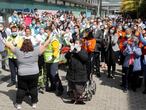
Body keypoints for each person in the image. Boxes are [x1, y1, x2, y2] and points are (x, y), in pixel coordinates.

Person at [5, 31, 50, 110]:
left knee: (21, 89)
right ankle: (34, 103)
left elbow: (9, 45)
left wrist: (4, 40)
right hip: (34, 73)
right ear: (31, 45)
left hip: (22, 74)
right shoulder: (36, 50)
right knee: (33, 88)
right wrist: (50, 39)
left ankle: (18, 104)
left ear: (22, 45)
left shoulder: (18, 51)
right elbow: (45, 45)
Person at [65, 39, 88, 104]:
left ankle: (80, 100)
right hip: (71, 72)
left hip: (80, 73)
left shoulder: (83, 51)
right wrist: (70, 51)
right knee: (72, 87)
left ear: (80, 44)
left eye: (77, 43)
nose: (76, 44)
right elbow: (66, 57)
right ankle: (73, 98)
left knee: (79, 87)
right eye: (75, 43)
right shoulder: (73, 50)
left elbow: (85, 59)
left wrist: (78, 52)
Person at [44, 26, 64, 96]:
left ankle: (60, 89)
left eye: (46, 32)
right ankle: (53, 87)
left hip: (53, 60)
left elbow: (56, 49)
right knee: (49, 75)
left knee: (54, 75)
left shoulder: (54, 39)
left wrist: (54, 56)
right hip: (47, 60)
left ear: (50, 31)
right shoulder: (47, 38)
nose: (45, 33)